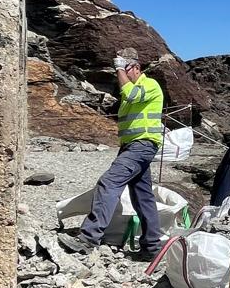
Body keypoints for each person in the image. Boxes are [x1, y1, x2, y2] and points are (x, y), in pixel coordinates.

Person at [58, 49, 164, 256]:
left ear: (136, 68)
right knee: (143, 196)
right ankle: (152, 247)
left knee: (109, 183)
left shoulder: (149, 85)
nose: (121, 75)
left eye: (125, 69)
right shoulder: (132, 89)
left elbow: (131, 95)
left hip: (141, 146)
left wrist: (118, 67)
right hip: (133, 146)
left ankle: (88, 238)